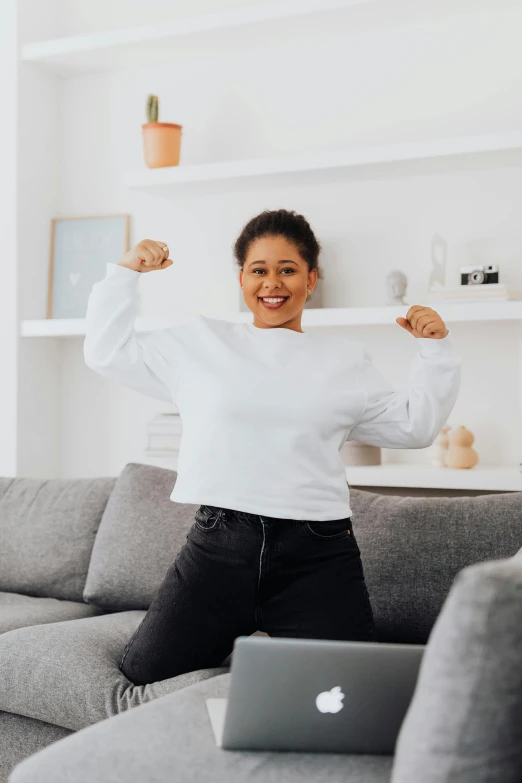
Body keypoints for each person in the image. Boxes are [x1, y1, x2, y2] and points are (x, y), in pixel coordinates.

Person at [84, 208, 462, 686]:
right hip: (219, 548)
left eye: (288, 269)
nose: (272, 283)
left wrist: (436, 351)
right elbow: (106, 352)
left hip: (318, 557)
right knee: (144, 678)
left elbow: (414, 427)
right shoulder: (200, 343)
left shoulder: (344, 361)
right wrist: (125, 274)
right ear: (241, 278)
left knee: (347, 700)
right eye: (259, 270)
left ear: (311, 278)